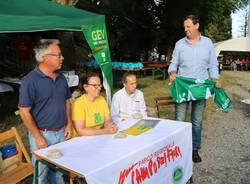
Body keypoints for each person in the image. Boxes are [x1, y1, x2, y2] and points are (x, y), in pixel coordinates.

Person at [168, 15, 221, 163]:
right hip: (183, 87)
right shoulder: (179, 44)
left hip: (201, 87)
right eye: (185, 27)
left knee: (197, 121)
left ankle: (194, 150)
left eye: (188, 26)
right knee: (179, 120)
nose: (186, 29)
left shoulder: (208, 43)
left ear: (197, 25)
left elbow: (212, 64)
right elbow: (174, 63)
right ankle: (178, 149)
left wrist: (215, 78)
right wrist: (172, 72)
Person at [19, 39, 72, 184]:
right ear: (45, 58)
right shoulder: (30, 81)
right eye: (58, 55)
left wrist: (68, 124)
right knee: (41, 176)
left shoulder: (61, 78)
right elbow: (24, 112)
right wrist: (38, 137)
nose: (62, 58)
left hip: (61, 132)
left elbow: (67, 101)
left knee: (60, 173)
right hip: (43, 135)